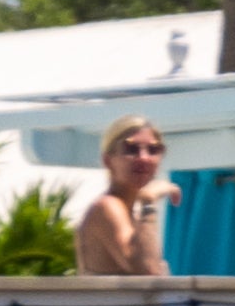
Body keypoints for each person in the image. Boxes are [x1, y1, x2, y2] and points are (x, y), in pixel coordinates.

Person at [71, 117, 171, 279]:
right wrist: (149, 201)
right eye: (131, 149)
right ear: (108, 160)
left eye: (153, 150)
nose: (144, 158)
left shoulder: (132, 215)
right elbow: (147, 270)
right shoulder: (106, 207)